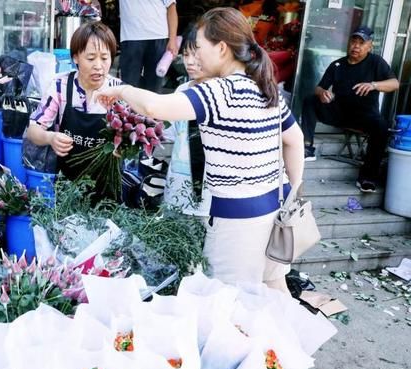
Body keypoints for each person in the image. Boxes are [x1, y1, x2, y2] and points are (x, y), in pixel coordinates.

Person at [97, 7, 305, 292]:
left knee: (228, 309)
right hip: (274, 210)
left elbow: (154, 106)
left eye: (200, 47)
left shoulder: (219, 92)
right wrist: (293, 190)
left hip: (237, 221)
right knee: (275, 293)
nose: (194, 56)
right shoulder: (265, 87)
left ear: (221, 48)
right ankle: (288, 337)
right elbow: (295, 140)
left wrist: (119, 90)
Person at [300, 26, 399, 192]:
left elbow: (394, 84)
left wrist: (374, 85)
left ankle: (367, 177)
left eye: (361, 43)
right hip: (339, 113)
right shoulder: (337, 65)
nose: (356, 46)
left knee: (382, 126)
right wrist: (323, 93)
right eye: (354, 41)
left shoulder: (376, 62)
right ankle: (307, 147)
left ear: (370, 46)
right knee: (310, 100)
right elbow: (319, 88)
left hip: (364, 116)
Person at [27, 21, 121, 187]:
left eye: (105, 58)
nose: (98, 66)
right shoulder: (60, 86)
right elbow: (33, 130)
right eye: (91, 58)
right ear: (76, 57)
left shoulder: (119, 90)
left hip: (108, 184)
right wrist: (50, 137)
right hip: (67, 185)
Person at [164, 23, 212, 216]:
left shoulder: (221, 92)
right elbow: (169, 132)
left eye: (196, 54)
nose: (190, 62)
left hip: (211, 182)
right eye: (185, 55)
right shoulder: (181, 91)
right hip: (181, 178)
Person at [119, 0, 178, 93]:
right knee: (128, 86)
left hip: (158, 36)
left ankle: (152, 107)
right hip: (131, 37)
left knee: (154, 87)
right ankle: (129, 108)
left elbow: (171, 7)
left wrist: (172, 39)